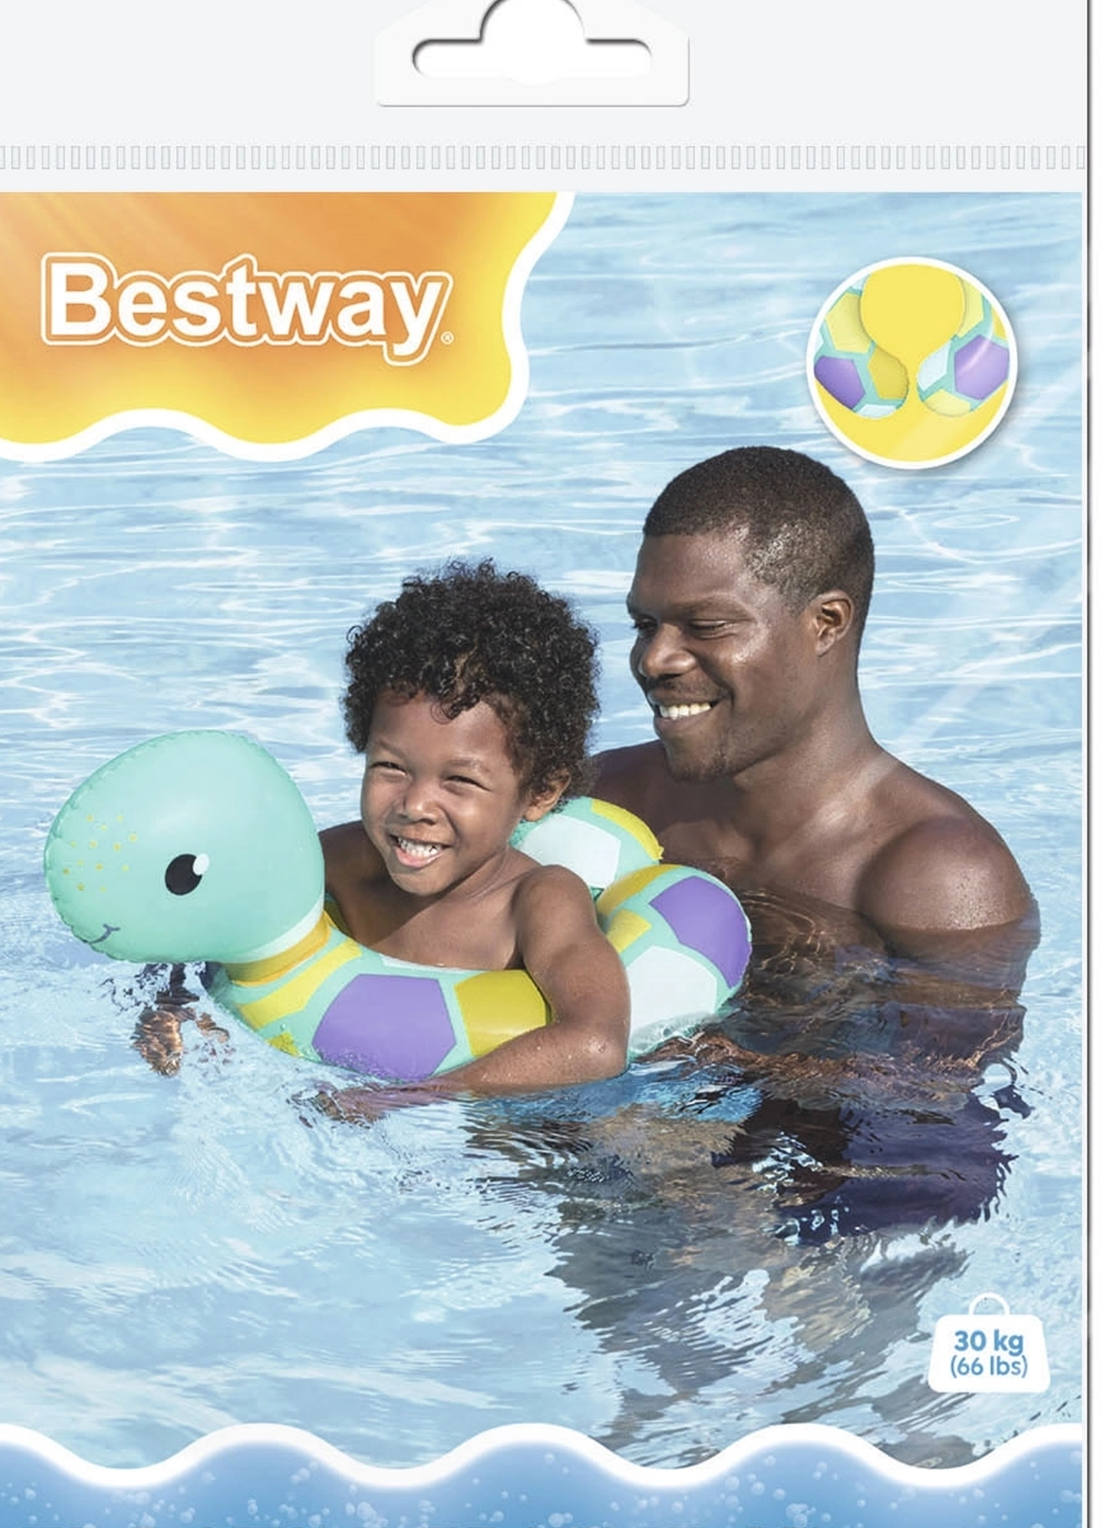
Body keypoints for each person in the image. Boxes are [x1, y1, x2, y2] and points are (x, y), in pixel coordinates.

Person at [590, 446, 1036, 970]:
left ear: (826, 623)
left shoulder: (937, 877)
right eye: (645, 626)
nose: (654, 659)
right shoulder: (607, 799)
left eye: (706, 626)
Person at [311, 561, 632, 1092]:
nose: (415, 804)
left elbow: (596, 1044)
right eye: (391, 767)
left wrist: (417, 1099)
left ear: (540, 792)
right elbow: (227, 928)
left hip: (512, 1126)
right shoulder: (338, 862)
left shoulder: (537, 902)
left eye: (459, 780)